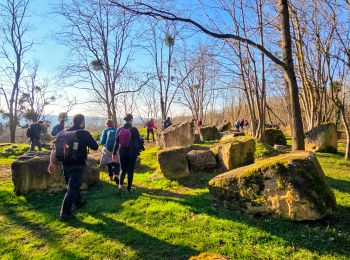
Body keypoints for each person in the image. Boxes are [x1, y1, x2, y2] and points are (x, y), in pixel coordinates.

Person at [47, 114, 98, 221]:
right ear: (82, 122)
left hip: (65, 164)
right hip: (78, 164)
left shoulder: (63, 132)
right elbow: (95, 147)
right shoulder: (83, 133)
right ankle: (65, 213)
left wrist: (51, 163)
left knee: (73, 186)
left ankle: (78, 202)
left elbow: (54, 149)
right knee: (72, 188)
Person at [112, 113, 144, 194]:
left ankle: (120, 186)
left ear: (125, 120)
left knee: (122, 169)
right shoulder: (134, 130)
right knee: (130, 171)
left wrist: (114, 153)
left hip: (122, 151)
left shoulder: (119, 129)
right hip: (131, 152)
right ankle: (128, 189)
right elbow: (139, 142)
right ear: (131, 119)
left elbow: (116, 142)